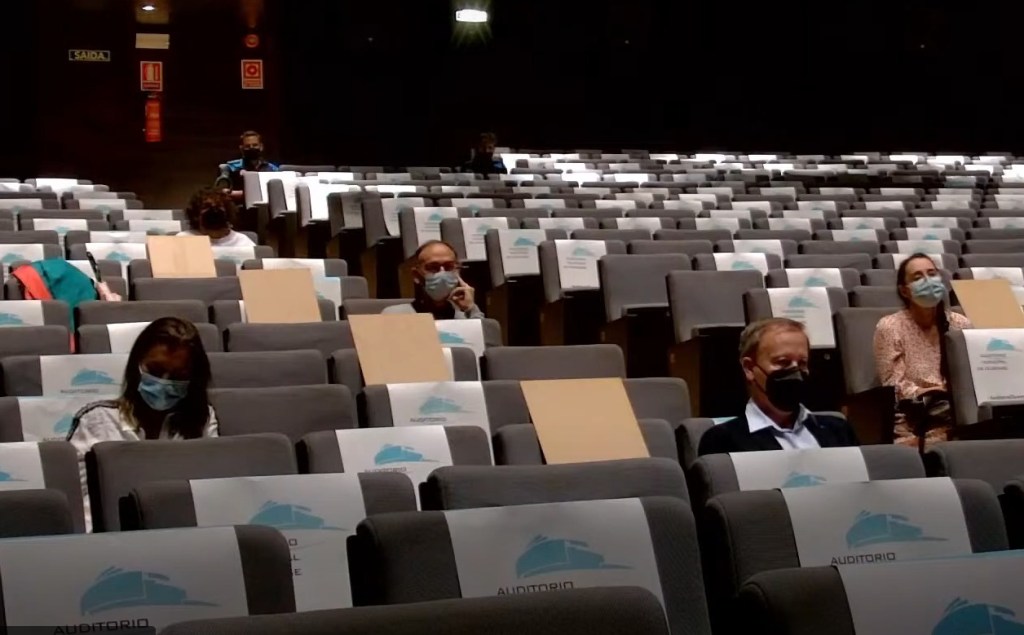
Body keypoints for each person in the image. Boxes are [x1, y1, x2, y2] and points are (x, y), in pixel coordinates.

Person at [68, 317, 219, 531]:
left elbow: (209, 493)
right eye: (155, 371)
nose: (164, 382)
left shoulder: (202, 418)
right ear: (137, 365)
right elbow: (78, 505)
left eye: (178, 376)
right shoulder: (96, 420)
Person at [698, 318, 859, 456]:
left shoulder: (839, 430)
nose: (795, 372)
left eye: (802, 363)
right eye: (783, 362)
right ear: (749, 368)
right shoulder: (723, 439)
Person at [873, 253, 971, 448]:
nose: (928, 281)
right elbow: (893, 386)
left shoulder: (960, 324)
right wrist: (929, 392)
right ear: (904, 291)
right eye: (918, 278)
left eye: (932, 274)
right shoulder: (890, 327)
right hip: (914, 421)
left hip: (958, 415)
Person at [382, 240, 483, 319]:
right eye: (433, 268)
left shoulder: (467, 315)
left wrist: (471, 308)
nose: (442, 273)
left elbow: (484, 338)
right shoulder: (395, 315)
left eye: (449, 267)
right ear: (416, 275)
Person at [178, 186, 256, 247]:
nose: (214, 211)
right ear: (195, 215)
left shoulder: (244, 243)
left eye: (218, 207)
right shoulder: (183, 240)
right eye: (207, 207)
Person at [215, 130, 280, 201]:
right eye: (247, 146)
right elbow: (222, 192)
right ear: (241, 148)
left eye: (255, 145)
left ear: (261, 147)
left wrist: (243, 194)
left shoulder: (272, 169)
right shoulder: (231, 167)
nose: (251, 148)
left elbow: (276, 193)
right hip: (239, 206)